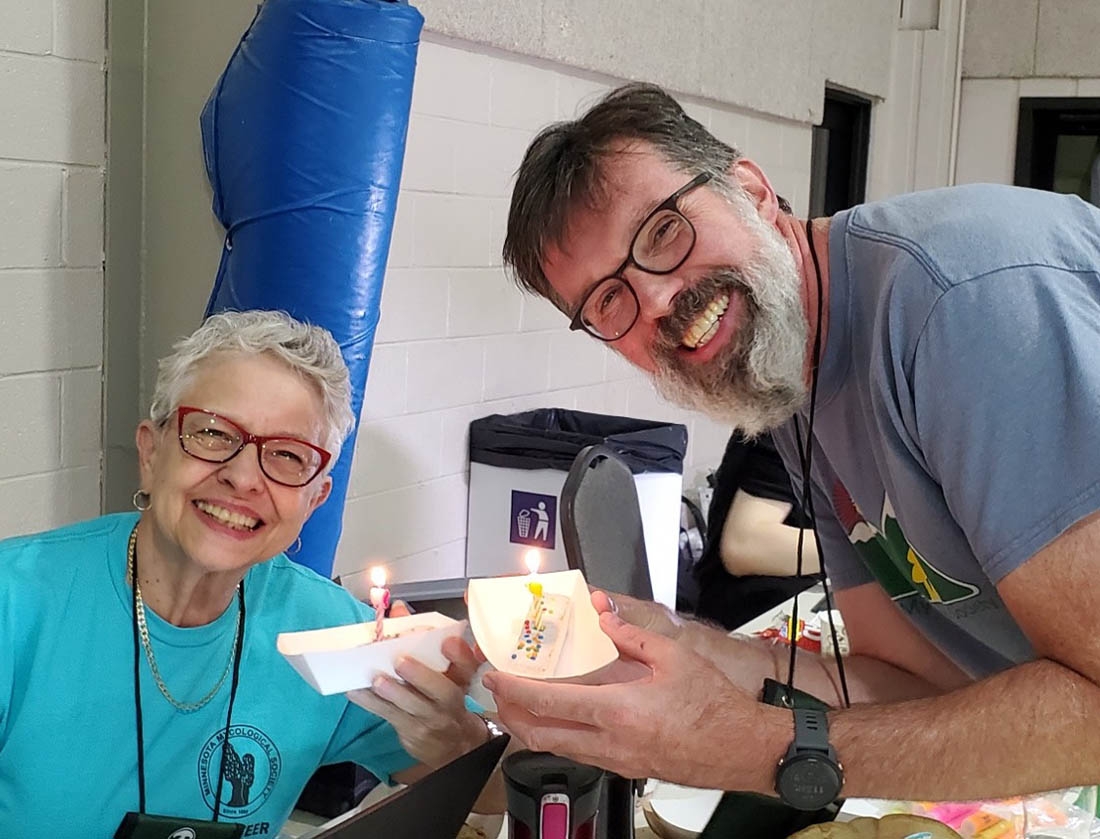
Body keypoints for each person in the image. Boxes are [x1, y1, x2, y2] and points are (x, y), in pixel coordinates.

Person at [483, 82, 1100, 805]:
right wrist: (689, 646)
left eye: (661, 231)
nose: (654, 300)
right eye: (608, 301)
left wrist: (745, 745)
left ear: (751, 188)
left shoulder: (957, 307)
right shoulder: (791, 377)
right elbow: (915, 677)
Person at [0, 311, 497, 837]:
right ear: (150, 452)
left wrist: (458, 741)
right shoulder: (18, 602)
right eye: (213, 433)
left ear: (314, 499)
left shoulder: (326, 635)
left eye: (286, 455)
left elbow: (498, 791)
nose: (242, 478)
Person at [691, 430, 820, 631]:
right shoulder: (787, 428)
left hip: (804, 609)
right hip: (754, 623)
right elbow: (745, 544)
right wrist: (865, 548)